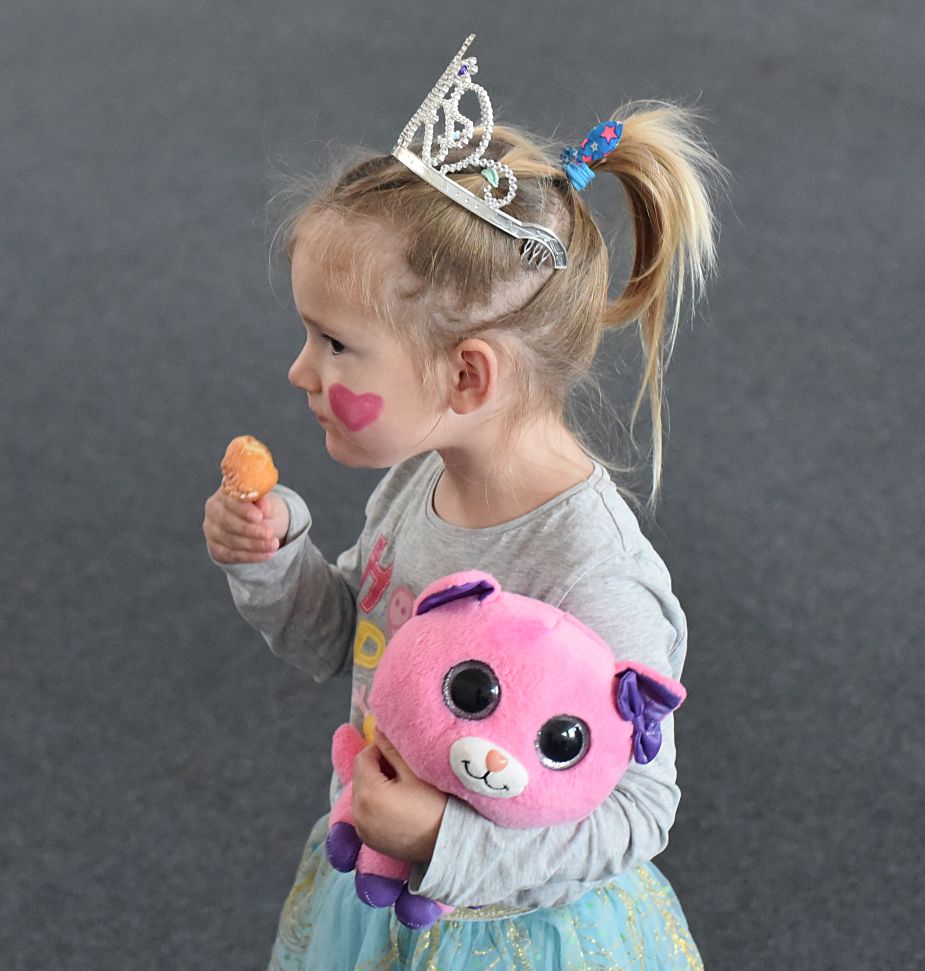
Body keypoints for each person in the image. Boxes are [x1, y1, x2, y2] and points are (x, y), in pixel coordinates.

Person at [203, 34, 720, 971]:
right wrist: (272, 557)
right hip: (383, 894)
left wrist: (446, 840)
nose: (300, 371)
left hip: (511, 933)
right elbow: (346, 639)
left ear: (467, 376)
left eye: (335, 344)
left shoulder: (592, 572)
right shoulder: (421, 481)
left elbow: (639, 810)